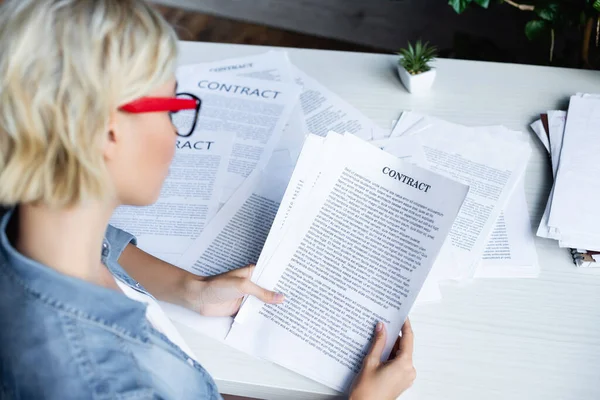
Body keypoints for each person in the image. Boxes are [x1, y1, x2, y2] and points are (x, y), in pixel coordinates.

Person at [0, 1, 416, 399]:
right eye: (171, 108)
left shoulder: (40, 225)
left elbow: (99, 244)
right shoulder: (106, 384)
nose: (177, 132)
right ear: (109, 130)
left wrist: (190, 288)